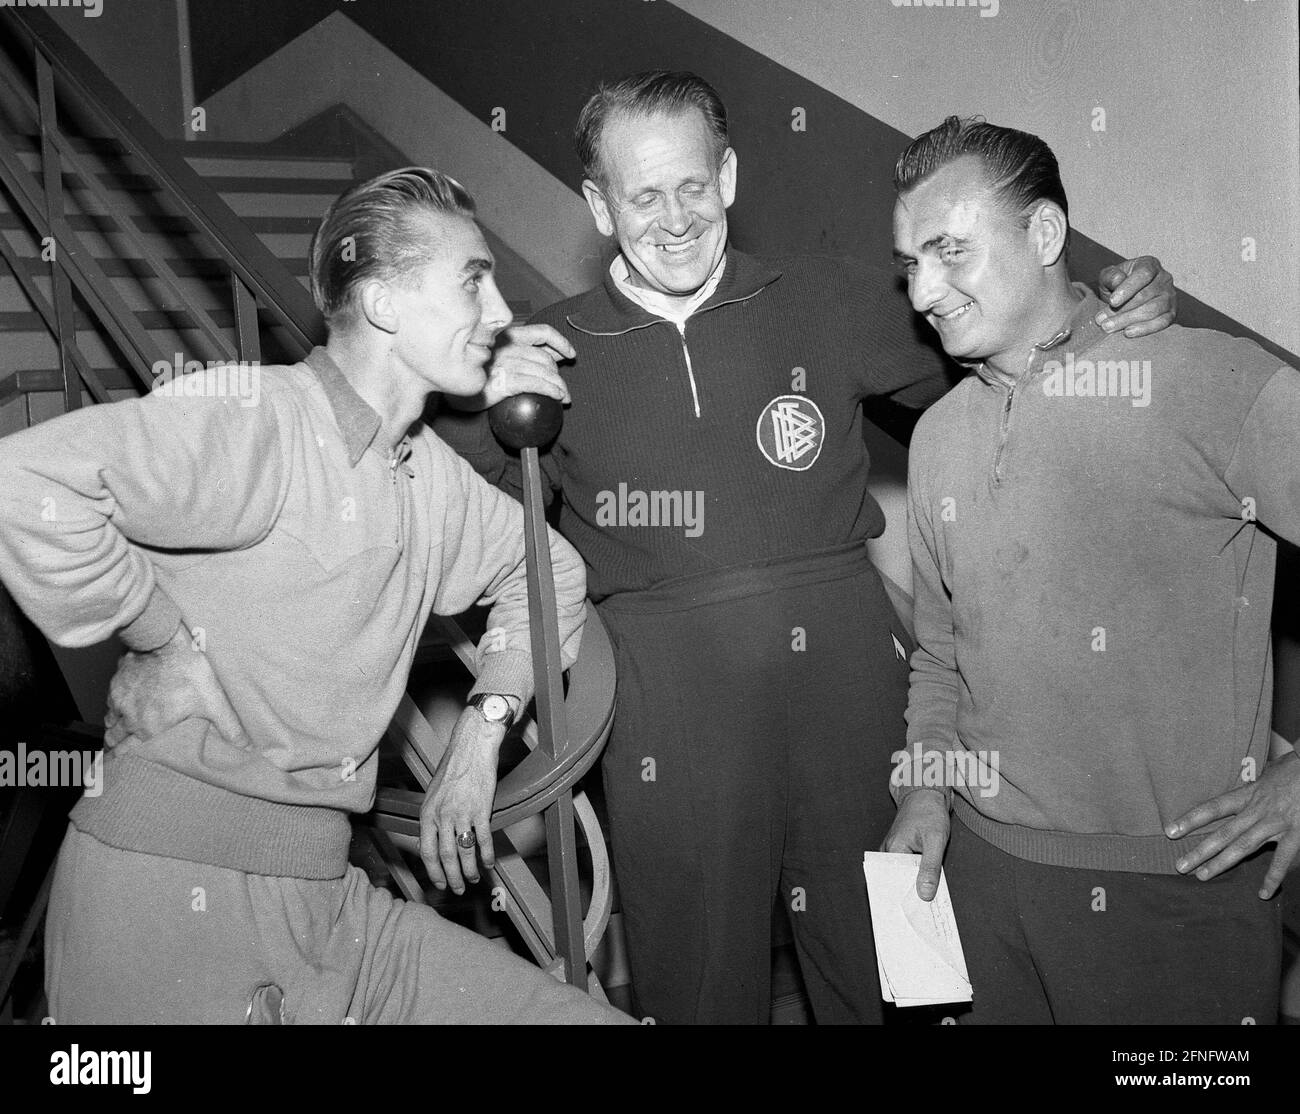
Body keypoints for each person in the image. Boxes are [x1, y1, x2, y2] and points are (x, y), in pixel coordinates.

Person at [433, 71, 1177, 1024]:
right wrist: (487, 406)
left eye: (693, 186)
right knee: (699, 986)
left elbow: (1011, 340)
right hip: (665, 706)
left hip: (849, 684)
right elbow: (462, 535)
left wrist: (1116, 303)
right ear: (597, 204)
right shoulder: (550, 349)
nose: (673, 219)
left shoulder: (827, 296)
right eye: (642, 194)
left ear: (730, 177)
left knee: (890, 973)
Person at [0, 168, 631, 1024]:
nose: (498, 312)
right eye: (473, 281)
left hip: (331, 904)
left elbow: (546, 570)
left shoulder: (427, 475)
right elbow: (24, 480)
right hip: (167, 893)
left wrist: (482, 735)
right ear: (381, 303)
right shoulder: (261, 416)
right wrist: (156, 634)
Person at [885, 116, 1299, 1024]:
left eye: (950, 251)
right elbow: (940, 653)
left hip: (1174, 892)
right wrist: (925, 785)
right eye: (911, 263)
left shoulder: (1208, 381)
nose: (924, 290)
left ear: (1042, 236)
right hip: (985, 880)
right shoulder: (938, 436)